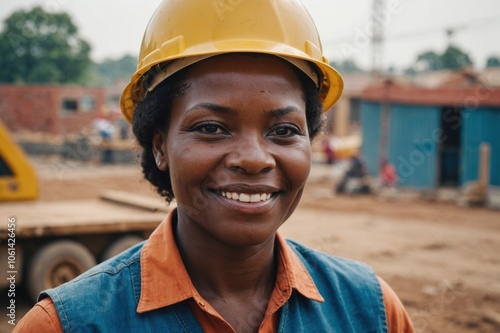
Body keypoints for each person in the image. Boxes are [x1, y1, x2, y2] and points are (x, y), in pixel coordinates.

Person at [15, 0, 414, 332]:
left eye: (283, 130)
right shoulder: (66, 326)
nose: (255, 158)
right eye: (212, 128)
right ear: (160, 146)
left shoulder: (372, 313)